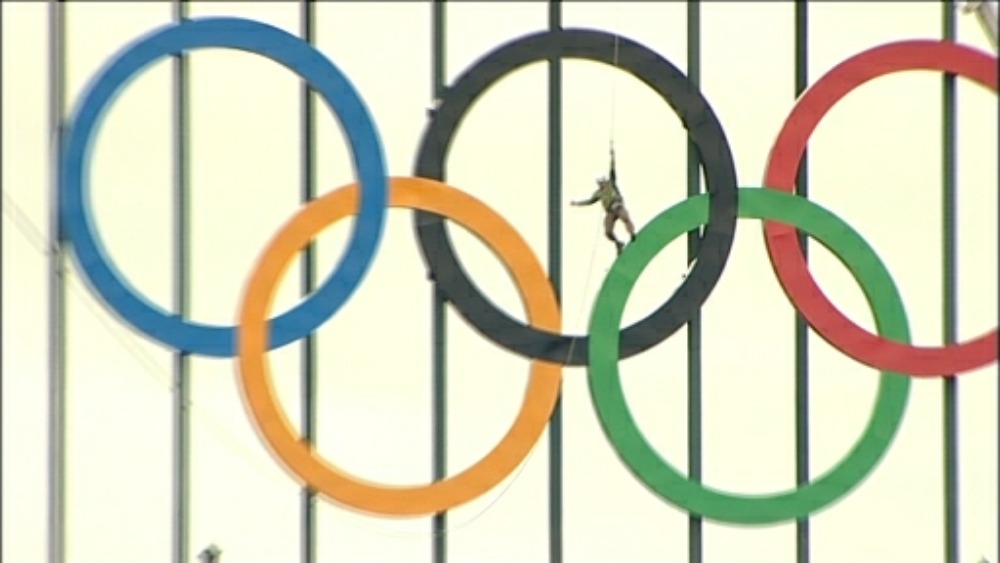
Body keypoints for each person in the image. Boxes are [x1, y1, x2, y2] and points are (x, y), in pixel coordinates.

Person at [571, 147, 637, 255]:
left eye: (603, 181)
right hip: (610, 211)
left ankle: (632, 233)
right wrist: (577, 203)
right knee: (608, 232)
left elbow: (612, 169)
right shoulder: (598, 193)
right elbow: (589, 201)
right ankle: (618, 243)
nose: (602, 184)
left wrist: (612, 156)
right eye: (600, 183)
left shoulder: (611, 183)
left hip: (618, 206)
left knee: (625, 217)